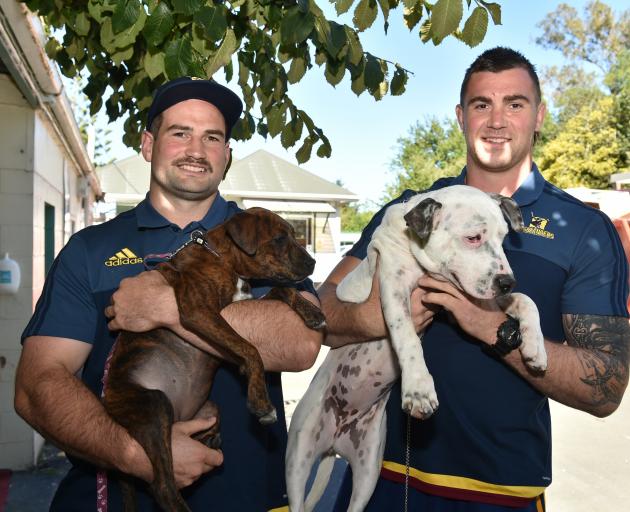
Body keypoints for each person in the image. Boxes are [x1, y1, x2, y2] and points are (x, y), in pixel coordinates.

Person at [323, 47, 630, 511]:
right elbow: (322, 311)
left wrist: (491, 325)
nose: (497, 120)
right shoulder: (413, 210)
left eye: (516, 103)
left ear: (540, 115)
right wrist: (379, 316)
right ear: (461, 117)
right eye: (482, 104)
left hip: (500, 492)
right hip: (384, 478)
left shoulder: (583, 230)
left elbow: (606, 387)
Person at [14, 77, 323, 511]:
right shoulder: (90, 250)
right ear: (148, 144)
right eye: (180, 133)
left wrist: (167, 307)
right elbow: (37, 385)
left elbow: (302, 343)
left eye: (212, 137)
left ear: (227, 155)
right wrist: (140, 456)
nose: (196, 150)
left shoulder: (261, 234)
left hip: (248, 497)